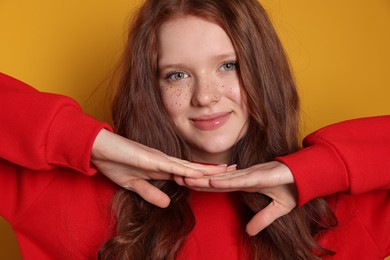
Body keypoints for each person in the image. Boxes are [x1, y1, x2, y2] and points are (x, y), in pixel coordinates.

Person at [0, 0, 389, 259]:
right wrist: (88, 142)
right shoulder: (67, 197)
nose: (205, 96)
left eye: (228, 66)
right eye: (177, 75)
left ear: (264, 72)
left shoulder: (338, 210)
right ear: (150, 89)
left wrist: (316, 170)